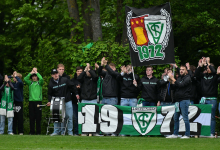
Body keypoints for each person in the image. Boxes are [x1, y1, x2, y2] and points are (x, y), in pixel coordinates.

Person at [195, 57, 219, 137]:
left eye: (209, 68)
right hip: (203, 99)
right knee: (202, 116)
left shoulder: (215, 76)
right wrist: (200, 65)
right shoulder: (203, 75)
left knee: (212, 117)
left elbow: (215, 71)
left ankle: (211, 133)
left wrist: (208, 63)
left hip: (212, 100)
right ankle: (203, 133)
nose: (208, 69)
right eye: (207, 68)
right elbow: (196, 74)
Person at [47, 69, 75, 136]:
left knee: (69, 117)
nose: (56, 75)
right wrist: (49, 101)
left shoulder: (64, 80)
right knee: (56, 117)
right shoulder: (51, 84)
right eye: (54, 74)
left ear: (58, 74)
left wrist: (73, 94)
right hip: (57, 102)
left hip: (67, 101)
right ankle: (57, 131)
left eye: (56, 73)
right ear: (52, 75)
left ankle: (70, 132)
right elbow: (49, 94)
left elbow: (72, 86)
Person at [166, 65, 192, 139]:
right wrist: (171, 82)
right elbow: (174, 88)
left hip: (184, 100)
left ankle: (187, 134)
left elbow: (180, 85)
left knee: (185, 118)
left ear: (186, 71)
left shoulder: (188, 78)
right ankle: (175, 134)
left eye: (183, 69)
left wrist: (173, 79)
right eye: (180, 69)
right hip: (178, 101)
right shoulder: (179, 78)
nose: (181, 71)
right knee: (176, 118)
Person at [24, 67, 44, 135]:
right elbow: (25, 79)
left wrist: (36, 72)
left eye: (35, 76)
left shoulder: (40, 83)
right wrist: (31, 73)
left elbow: (41, 79)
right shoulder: (30, 83)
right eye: (33, 76)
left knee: (38, 118)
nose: (34, 77)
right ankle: (32, 132)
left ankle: (38, 132)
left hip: (38, 101)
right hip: (31, 102)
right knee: (32, 118)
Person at [71, 66, 83, 136]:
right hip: (74, 101)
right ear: (76, 72)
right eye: (78, 71)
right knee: (75, 118)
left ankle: (82, 132)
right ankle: (76, 132)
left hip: (83, 101)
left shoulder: (84, 79)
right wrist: (76, 89)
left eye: (80, 71)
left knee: (83, 117)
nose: (79, 72)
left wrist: (80, 88)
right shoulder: (73, 80)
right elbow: (71, 89)